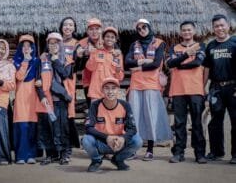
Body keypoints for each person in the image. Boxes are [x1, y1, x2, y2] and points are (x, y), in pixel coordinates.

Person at [125, 18, 172, 161]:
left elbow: (156, 63)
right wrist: (144, 61)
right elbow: (127, 62)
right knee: (135, 118)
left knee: (151, 117)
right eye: (138, 29)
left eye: (144, 27)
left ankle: (150, 150)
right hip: (136, 85)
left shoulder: (159, 43)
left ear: (149, 27)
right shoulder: (134, 44)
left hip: (152, 85)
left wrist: (138, 67)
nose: (141, 30)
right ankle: (134, 149)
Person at [166, 21, 207, 164]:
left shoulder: (200, 46)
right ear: (180, 32)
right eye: (184, 30)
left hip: (195, 89)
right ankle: (178, 152)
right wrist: (186, 55)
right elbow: (170, 64)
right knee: (179, 123)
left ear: (194, 31)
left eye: (189, 30)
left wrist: (180, 64)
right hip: (178, 90)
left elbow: (197, 63)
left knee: (196, 123)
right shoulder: (174, 47)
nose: (186, 32)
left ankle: (200, 154)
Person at [82, 77, 143, 172]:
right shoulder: (95, 105)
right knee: (86, 140)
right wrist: (107, 138)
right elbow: (88, 128)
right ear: (102, 90)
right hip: (101, 141)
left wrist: (123, 138)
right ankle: (96, 161)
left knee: (137, 140)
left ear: (118, 90)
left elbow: (132, 128)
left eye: (113, 88)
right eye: (106, 88)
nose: (110, 91)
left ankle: (118, 160)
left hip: (119, 143)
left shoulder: (125, 105)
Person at [36, 32, 77, 165]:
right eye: (50, 43)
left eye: (56, 43)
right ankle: (51, 154)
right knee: (48, 127)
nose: (53, 45)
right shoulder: (42, 60)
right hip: (47, 100)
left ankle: (65, 154)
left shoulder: (67, 60)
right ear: (47, 44)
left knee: (63, 127)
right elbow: (37, 80)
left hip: (61, 99)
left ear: (60, 44)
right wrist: (41, 96)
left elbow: (65, 75)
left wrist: (55, 60)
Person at [203, 14, 236, 164]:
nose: (220, 28)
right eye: (216, 26)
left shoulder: (235, 43)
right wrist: (203, 87)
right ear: (213, 29)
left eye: (222, 25)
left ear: (228, 25)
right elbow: (207, 69)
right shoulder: (211, 45)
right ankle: (217, 152)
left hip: (233, 87)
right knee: (215, 122)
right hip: (216, 88)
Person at [13, 34, 40, 164]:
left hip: (33, 97)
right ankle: (20, 155)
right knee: (21, 126)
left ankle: (31, 155)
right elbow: (18, 77)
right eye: (23, 46)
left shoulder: (37, 61)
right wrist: (25, 61)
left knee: (32, 126)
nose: (26, 48)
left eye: (29, 46)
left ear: (33, 47)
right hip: (20, 97)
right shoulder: (16, 61)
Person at [59, 17, 80, 161]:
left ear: (74, 28)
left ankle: (67, 150)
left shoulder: (77, 45)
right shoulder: (54, 42)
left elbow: (78, 64)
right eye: (65, 24)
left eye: (70, 25)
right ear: (61, 27)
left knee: (67, 116)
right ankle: (56, 150)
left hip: (68, 82)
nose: (67, 27)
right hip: (54, 82)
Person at [86, 26, 124, 101]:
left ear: (115, 40)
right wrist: (95, 53)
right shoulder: (96, 51)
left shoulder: (118, 55)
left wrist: (118, 71)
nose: (109, 39)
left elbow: (120, 77)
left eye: (112, 37)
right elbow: (89, 67)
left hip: (110, 93)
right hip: (96, 92)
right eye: (107, 36)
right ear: (103, 39)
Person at [76, 18, 103, 107]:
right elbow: (78, 66)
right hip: (89, 81)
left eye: (97, 29)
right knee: (92, 108)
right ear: (87, 31)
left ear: (101, 30)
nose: (94, 32)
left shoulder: (108, 41)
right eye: (91, 29)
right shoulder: (81, 44)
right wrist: (85, 55)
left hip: (104, 80)